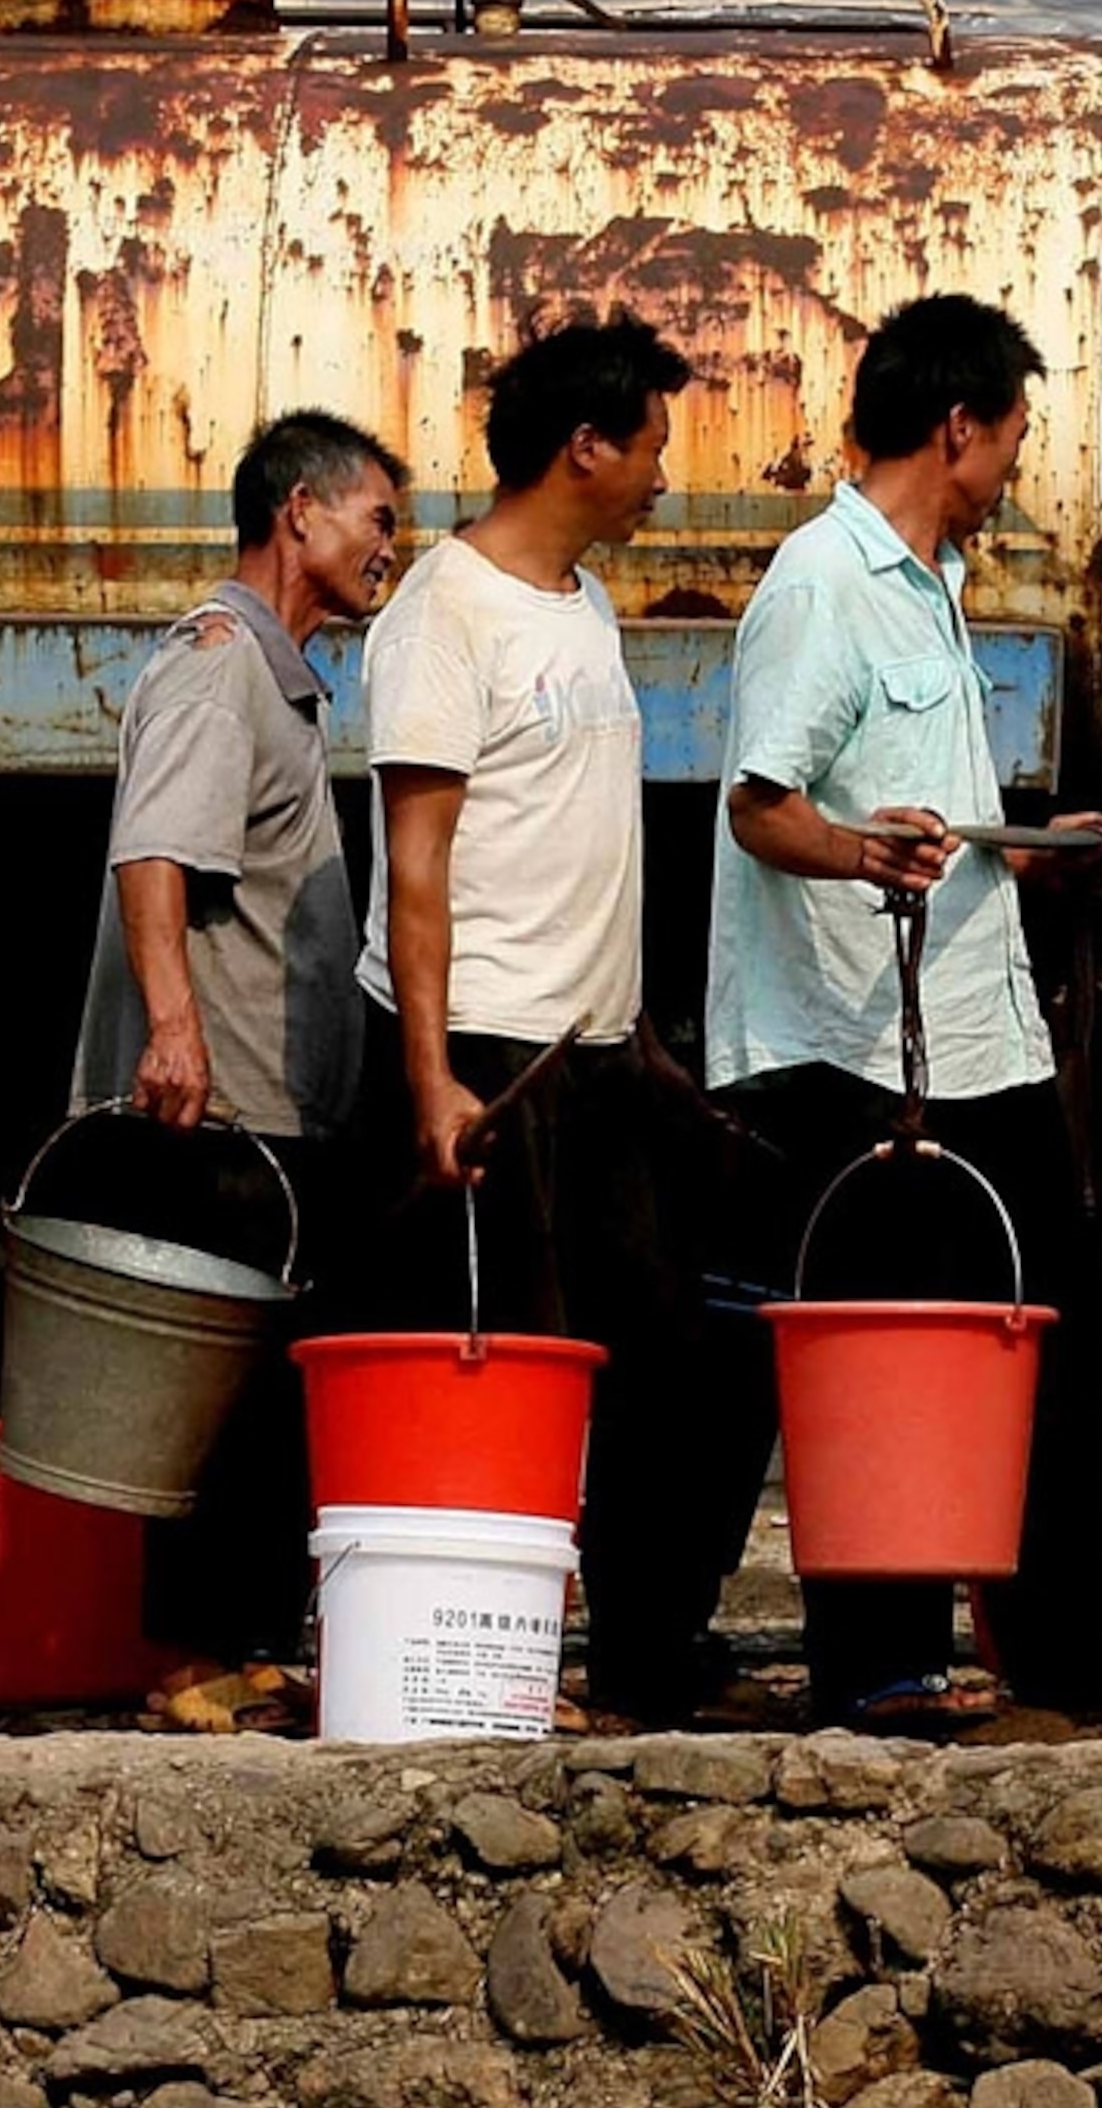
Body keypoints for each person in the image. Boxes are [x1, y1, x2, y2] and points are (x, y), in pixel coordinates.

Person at [707, 291, 1102, 1729]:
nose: (1018, 468)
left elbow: (915, 800)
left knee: (1058, 1328)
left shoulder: (936, 581)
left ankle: (1071, 1639)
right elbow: (761, 803)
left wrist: (1034, 840)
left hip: (979, 1036)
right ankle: (878, 1658)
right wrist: (863, 853)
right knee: (887, 1345)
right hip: (855, 1044)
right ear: (957, 426)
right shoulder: (823, 583)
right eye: (1015, 435)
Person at [356, 315, 737, 1726]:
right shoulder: (442, 613)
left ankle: (642, 1660)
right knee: (505, 1365)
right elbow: (416, 865)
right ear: (584, 446)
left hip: (599, 1048)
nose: (660, 480)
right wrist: (432, 1077)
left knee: (655, 1361)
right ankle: (492, 1672)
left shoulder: (575, 601)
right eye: (649, 448)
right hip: (496, 1055)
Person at [70, 409, 407, 1707]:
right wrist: (174, 1026)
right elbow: (156, 850)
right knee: (226, 1396)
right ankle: (200, 1656)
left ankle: (243, 1646)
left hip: (275, 1107)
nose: (392, 545)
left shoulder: (274, 676)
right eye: (377, 517)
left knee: (264, 1390)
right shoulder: (220, 667)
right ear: (299, 514)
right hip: (225, 1116)